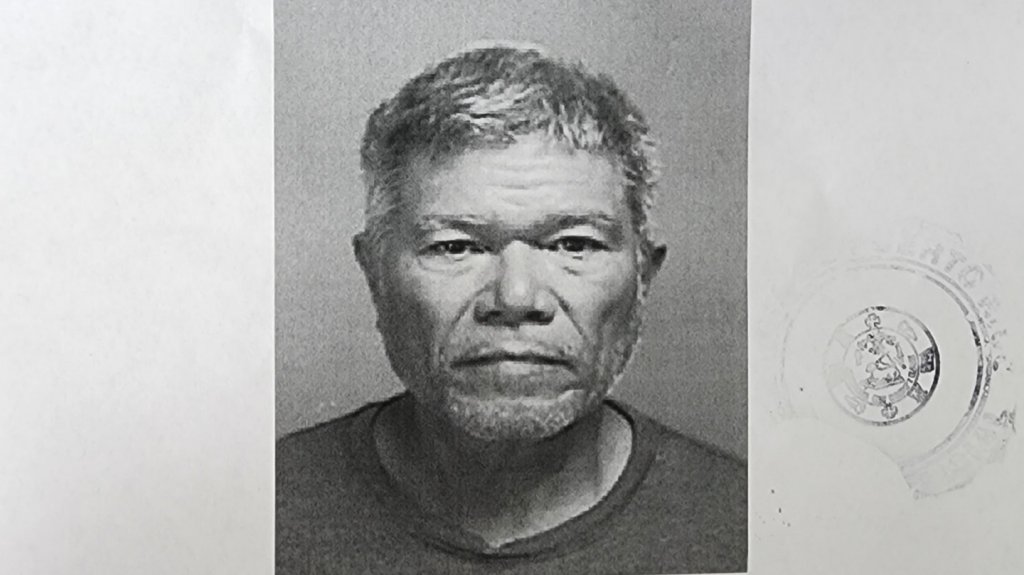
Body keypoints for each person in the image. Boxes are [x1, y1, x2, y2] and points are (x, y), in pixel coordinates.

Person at [277, 45, 746, 575]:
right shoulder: (258, 514)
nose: (517, 298)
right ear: (374, 273)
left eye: (574, 244)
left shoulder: (749, 526)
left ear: (644, 276)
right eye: (456, 246)